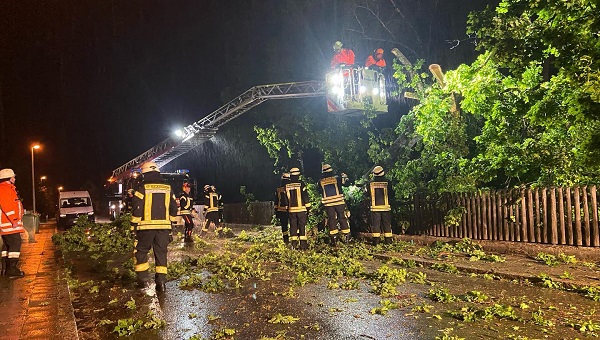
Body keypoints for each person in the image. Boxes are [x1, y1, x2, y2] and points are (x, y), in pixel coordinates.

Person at [130, 161, 178, 292]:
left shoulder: (142, 186)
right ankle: (161, 283)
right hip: (163, 228)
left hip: (145, 228)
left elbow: (137, 207)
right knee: (161, 254)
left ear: (144, 173)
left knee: (141, 252)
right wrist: (171, 224)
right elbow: (174, 207)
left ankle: (142, 280)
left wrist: (133, 225)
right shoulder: (167, 187)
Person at [0, 168, 25, 278]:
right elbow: (7, 206)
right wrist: (14, 220)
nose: (14, 179)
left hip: (7, 223)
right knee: (15, 243)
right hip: (9, 224)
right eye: (13, 177)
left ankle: (5, 268)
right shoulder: (5, 189)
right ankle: (12, 269)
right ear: (9, 178)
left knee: (7, 245)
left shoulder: (7, 188)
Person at [318, 164, 351, 246]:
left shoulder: (320, 181)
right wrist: (345, 177)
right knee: (342, 218)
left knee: (331, 220)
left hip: (328, 204)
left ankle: (334, 239)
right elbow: (347, 184)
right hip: (339, 202)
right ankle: (346, 238)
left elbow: (319, 191)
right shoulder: (337, 178)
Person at [285, 167, 311, 250]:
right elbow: (305, 196)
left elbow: (285, 198)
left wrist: (286, 208)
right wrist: (308, 207)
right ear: (298, 175)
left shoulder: (287, 186)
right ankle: (303, 245)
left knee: (293, 227)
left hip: (291, 210)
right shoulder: (301, 184)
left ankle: (293, 245)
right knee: (302, 226)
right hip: (301, 210)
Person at [368, 166, 393, 245]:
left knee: (376, 224)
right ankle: (388, 241)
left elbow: (367, 194)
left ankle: (376, 241)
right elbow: (392, 194)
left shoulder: (370, 183)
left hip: (375, 208)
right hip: (385, 207)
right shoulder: (388, 182)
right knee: (386, 224)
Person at [274, 172, 290, 244]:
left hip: (281, 210)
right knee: (294, 225)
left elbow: (276, 201)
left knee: (284, 226)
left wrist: (276, 210)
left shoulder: (278, 189)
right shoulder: (290, 187)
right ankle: (295, 240)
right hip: (290, 209)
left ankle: (286, 240)